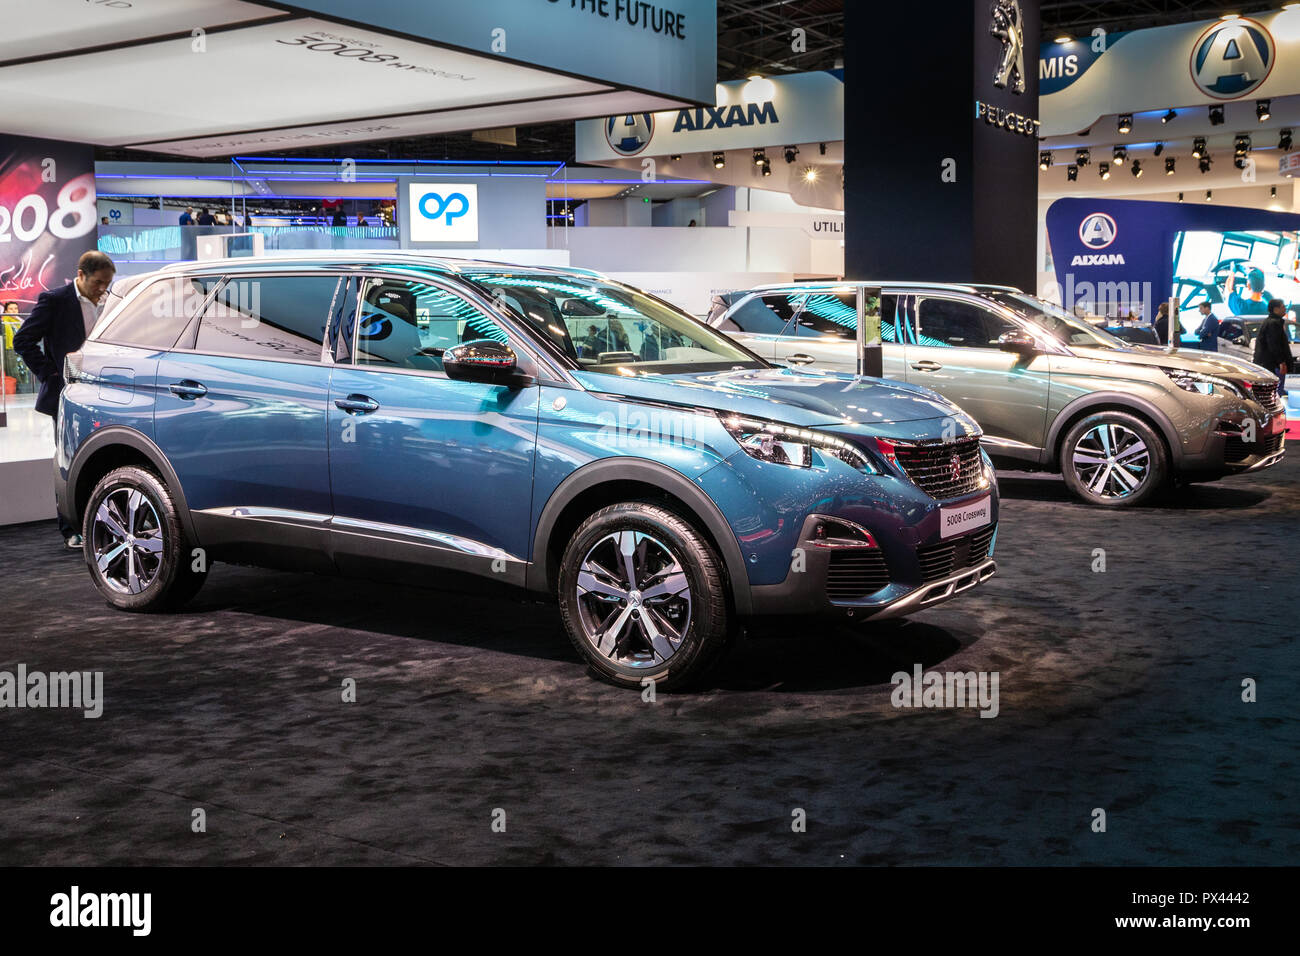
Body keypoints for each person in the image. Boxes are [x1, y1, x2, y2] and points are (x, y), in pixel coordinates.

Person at [12, 251, 116, 549]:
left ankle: (106, 523)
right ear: (81, 275)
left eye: (107, 283)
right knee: (69, 463)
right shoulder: (55, 301)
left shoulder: (111, 303)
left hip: (107, 395)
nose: (102, 289)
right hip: (68, 397)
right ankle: (71, 529)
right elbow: (23, 341)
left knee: (108, 459)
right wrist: (52, 377)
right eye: (98, 282)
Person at [1254, 299, 1294, 396]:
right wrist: (1281, 362)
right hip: (1272, 364)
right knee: (1276, 390)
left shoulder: (1272, 322)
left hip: (1271, 364)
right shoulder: (1273, 323)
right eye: (1283, 307)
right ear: (1276, 309)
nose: (1285, 309)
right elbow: (1274, 345)